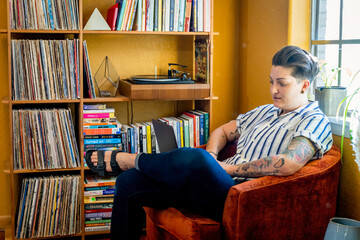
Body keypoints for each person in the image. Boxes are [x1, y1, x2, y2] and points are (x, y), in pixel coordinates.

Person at [86, 45, 333, 240]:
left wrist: (226, 169)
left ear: (304, 86)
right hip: (212, 184)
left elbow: (288, 163)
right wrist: (213, 158)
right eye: (271, 81)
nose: (273, 90)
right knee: (129, 182)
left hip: (243, 198)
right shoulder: (265, 111)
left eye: (282, 83)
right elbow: (222, 132)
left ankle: (127, 159)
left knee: (196, 157)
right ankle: (129, 168)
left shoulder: (314, 120)